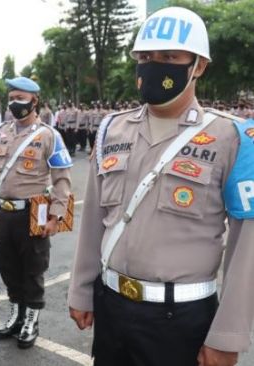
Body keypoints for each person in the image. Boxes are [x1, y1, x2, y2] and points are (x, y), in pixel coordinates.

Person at [68, 7, 254, 366]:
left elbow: (247, 244)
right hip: (111, 307)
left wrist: (227, 335)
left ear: (198, 65)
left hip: (180, 320)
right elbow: (94, 218)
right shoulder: (112, 129)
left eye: (169, 57)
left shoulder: (233, 138)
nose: (154, 66)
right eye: (146, 57)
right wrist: (81, 289)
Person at [0, 77, 72, 348]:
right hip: (4, 213)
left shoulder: (48, 135)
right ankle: (16, 314)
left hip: (33, 212)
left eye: (21, 98)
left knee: (33, 269)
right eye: (11, 97)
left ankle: (31, 320)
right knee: (7, 266)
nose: (15, 103)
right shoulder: (1, 131)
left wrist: (56, 216)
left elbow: (62, 179)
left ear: (34, 101)